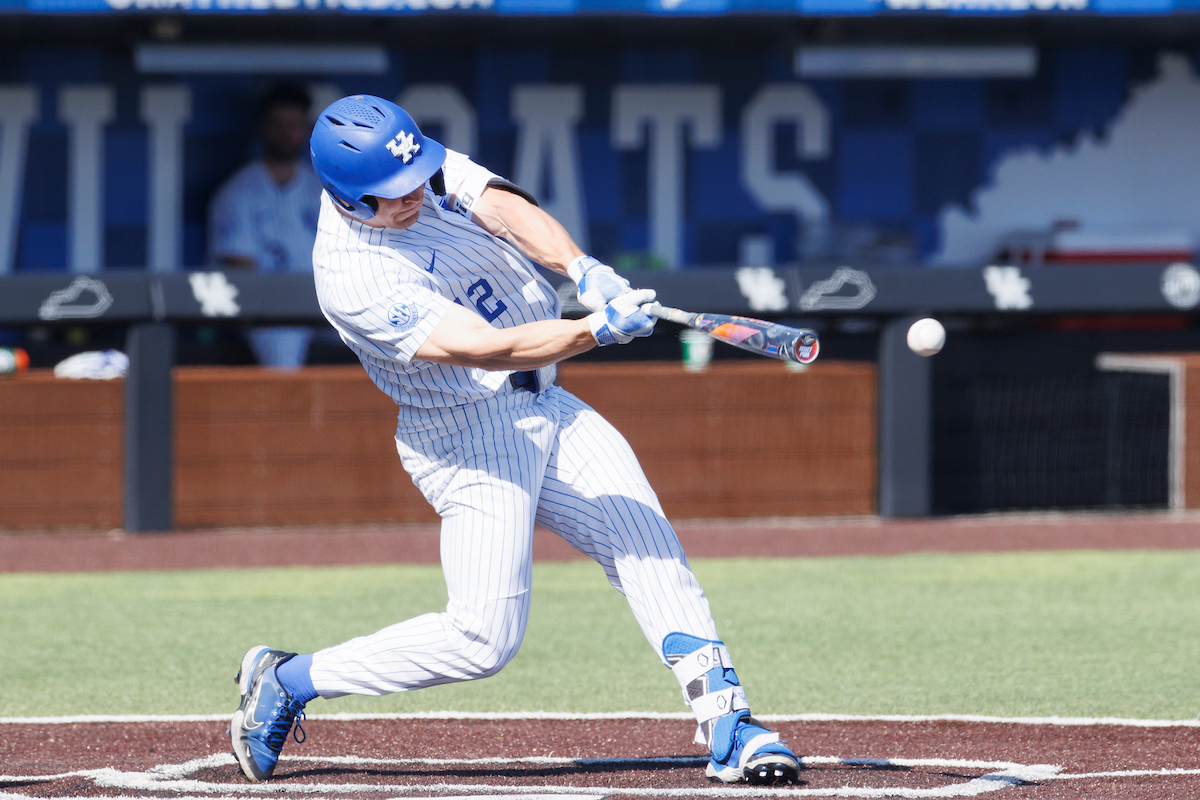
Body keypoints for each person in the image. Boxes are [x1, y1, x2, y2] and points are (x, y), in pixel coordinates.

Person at [227, 95, 800, 787]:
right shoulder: (355, 276)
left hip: (547, 404)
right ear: (348, 197)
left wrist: (581, 268)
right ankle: (290, 680)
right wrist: (597, 331)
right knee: (482, 640)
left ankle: (729, 723)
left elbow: (496, 202)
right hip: (467, 437)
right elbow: (489, 348)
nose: (412, 195)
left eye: (416, 180)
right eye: (391, 194)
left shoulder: (411, 169)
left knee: (644, 539)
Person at [208, 83, 323, 368]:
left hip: (322, 303)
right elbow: (241, 272)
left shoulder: (319, 188)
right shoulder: (238, 192)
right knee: (283, 339)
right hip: (266, 311)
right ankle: (287, 413)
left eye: (294, 124)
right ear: (263, 127)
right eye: (278, 124)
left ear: (307, 129)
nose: (286, 134)